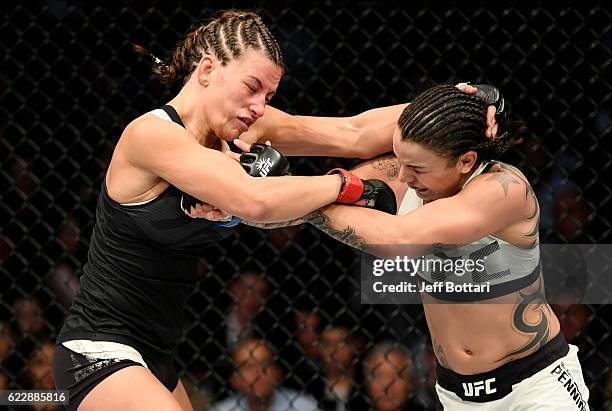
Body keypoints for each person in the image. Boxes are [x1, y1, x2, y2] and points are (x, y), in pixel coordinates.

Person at [51, 9, 411, 411]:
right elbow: (254, 200)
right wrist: (351, 186)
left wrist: (448, 104)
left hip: (156, 356)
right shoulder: (150, 135)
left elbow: (354, 133)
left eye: (268, 97)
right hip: (98, 349)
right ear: (207, 69)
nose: (259, 107)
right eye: (252, 87)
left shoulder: (238, 130)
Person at [281, 84, 591, 409]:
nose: (403, 176)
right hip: (457, 394)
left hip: (534, 385)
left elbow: (400, 239)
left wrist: (306, 204)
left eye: (416, 168)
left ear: (466, 161)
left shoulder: (505, 189)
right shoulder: (413, 176)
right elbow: (276, 199)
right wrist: (255, 175)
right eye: (400, 161)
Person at [211, 338, 319, 411]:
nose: (259, 371)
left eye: (265, 363)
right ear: (235, 379)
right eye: (248, 366)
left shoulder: (304, 407)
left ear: (277, 372)